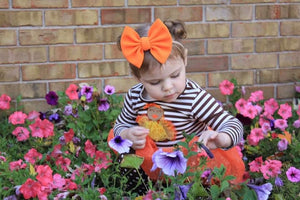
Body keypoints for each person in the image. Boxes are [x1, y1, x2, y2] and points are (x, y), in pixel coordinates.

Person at [109, 18, 244, 195]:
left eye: (175, 75)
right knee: (128, 172)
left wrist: (222, 138)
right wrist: (126, 134)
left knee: (198, 192)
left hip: (190, 164)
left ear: (185, 59)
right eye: (155, 82)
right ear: (138, 78)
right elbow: (120, 125)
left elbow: (233, 124)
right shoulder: (135, 96)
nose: (168, 87)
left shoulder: (194, 98)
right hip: (151, 163)